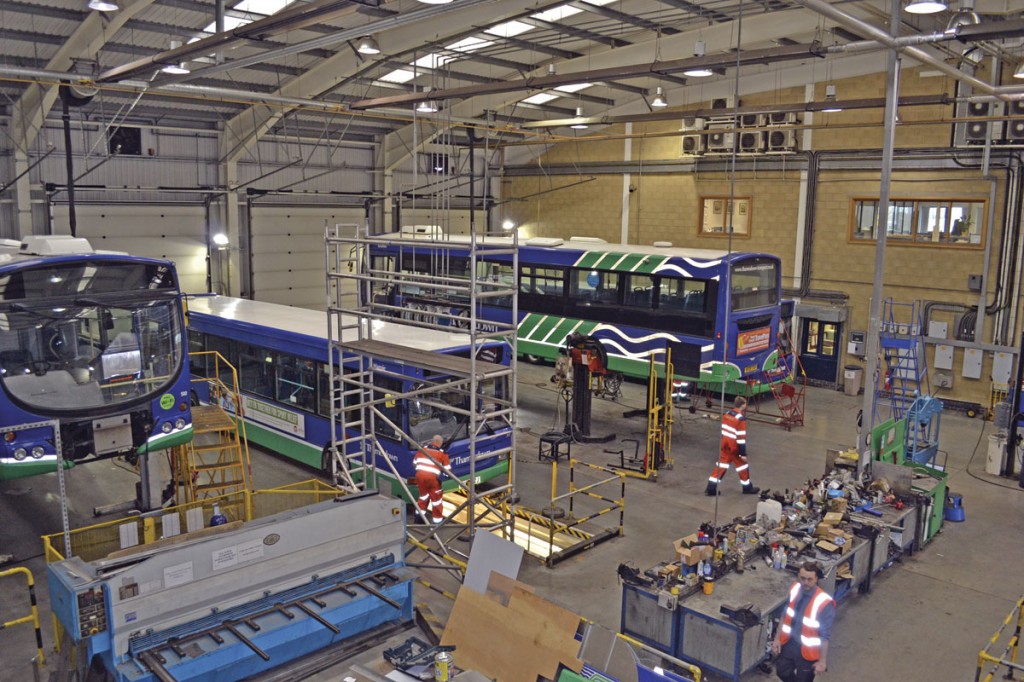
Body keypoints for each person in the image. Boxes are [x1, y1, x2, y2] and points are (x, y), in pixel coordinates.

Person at [770, 561, 836, 681]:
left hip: (808, 653)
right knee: (782, 671)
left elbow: (824, 636)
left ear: (816, 579)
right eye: (802, 578)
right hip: (789, 644)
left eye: (809, 579)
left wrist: (822, 661)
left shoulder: (824, 603)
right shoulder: (795, 589)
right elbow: (784, 616)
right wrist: (777, 639)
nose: (805, 582)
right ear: (798, 577)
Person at [705, 396, 760, 496]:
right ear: (743, 405)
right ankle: (747, 487)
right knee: (742, 467)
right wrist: (742, 453)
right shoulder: (741, 419)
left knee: (721, 466)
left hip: (725, 444)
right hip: (734, 448)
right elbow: (741, 438)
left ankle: (711, 488)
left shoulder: (727, 414)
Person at [414, 434, 450, 524]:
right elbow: (447, 471)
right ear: (440, 443)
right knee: (436, 501)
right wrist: (443, 478)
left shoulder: (422, 450)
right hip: (433, 480)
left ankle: (418, 518)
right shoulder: (442, 454)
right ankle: (437, 522)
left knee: (423, 497)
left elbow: (415, 463)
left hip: (420, 477)